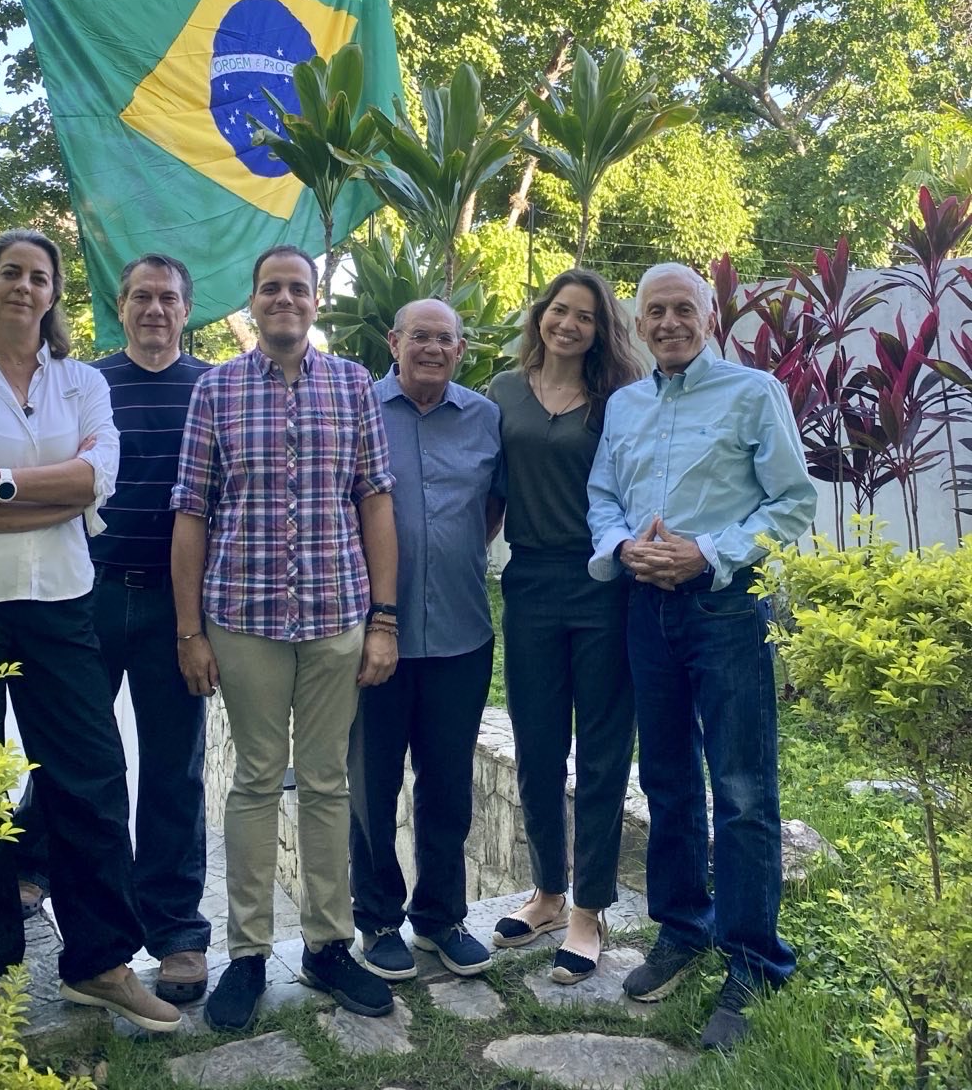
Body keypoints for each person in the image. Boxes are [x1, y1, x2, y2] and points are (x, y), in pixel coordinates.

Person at [0, 228, 181, 1031]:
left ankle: (98, 964)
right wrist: (49, 500)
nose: (25, 287)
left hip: (61, 603)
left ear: (56, 294)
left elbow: (98, 482)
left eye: (40, 276)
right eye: (11, 273)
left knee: (92, 779)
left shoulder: (82, 384)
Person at [587, 262, 816, 1052]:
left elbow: (792, 501)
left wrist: (706, 552)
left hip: (726, 608)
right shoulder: (624, 403)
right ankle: (683, 929)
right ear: (639, 324)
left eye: (684, 308)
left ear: (711, 314)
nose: (669, 322)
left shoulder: (755, 394)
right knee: (669, 778)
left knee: (744, 789)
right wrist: (623, 547)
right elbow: (603, 497)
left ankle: (754, 960)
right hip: (645, 610)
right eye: (655, 311)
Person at [171, 245, 400, 1032]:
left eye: (297, 288)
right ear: (253, 301)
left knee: (330, 782)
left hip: (338, 615)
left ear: (313, 302)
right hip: (244, 619)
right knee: (257, 782)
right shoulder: (216, 388)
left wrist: (384, 619)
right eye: (270, 288)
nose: (284, 300)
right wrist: (189, 630)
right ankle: (247, 956)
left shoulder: (354, 385)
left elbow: (375, 500)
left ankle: (330, 947)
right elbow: (192, 510)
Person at [14, 254, 213, 1003]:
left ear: (186, 310)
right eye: (141, 297)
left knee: (173, 768)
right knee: (73, 756)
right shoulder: (86, 385)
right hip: (85, 592)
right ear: (119, 307)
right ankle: (38, 869)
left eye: (168, 297)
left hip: (176, 605)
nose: (154, 309)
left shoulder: (210, 387)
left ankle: (177, 933)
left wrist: (203, 620)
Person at [487, 270, 643, 982]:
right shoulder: (503, 391)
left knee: (605, 751)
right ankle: (548, 892)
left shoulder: (620, 403)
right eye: (559, 310)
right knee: (538, 744)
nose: (569, 324)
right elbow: (487, 490)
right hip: (529, 582)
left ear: (600, 329)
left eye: (585, 316)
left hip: (604, 584)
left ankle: (589, 911)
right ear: (541, 316)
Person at [349, 299, 506, 981]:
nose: (433, 348)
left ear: (461, 348)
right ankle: (378, 921)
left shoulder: (484, 417)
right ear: (395, 340)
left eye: (446, 338)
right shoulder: (359, 409)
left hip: (461, 635)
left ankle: (440, 918)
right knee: (370, 788)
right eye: (421, 336)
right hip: (369, 638)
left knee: (447, 788)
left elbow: (492, 508)